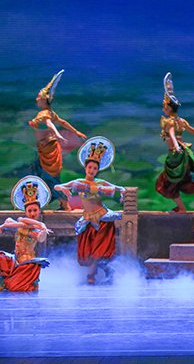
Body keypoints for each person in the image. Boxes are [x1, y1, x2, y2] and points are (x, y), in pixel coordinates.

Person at [55, 137, 125, 284]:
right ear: (85, 168)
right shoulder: (78, 182)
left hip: (102, 218)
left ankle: (92, 275)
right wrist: (64, 189)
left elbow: (119, 188)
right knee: (88, 250)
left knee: (100, 248)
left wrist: (123, 193)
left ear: (97, 170)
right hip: (87, 219)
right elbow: (58, 186)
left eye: (95, 168)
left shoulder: (100, 183)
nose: (92, 170)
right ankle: (105, 270)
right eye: (90, 167)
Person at [155, 73, 194, 212]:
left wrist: (176, 146)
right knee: (182, 182)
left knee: (165, 184)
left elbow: (172, 134)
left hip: (176, 156)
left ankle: (182, 207)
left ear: (169, 108)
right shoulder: (181, 121)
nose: (163, 108)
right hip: (185, 155)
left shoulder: (170, 122)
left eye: (164, 106)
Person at [28, 70, 87, 210]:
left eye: (38, 97)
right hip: (46, 149)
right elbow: (63, 122)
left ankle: (64, 203)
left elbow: (50, 124)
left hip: (49, 150)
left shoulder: (44, 114)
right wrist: (76, 132)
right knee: (36, 172)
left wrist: (58, 134)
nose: (36, 99)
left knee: (47, 177)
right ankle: (40, 202)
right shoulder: (50, 112)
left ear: (44, 100)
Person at [0, 176, 53, 292]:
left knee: (16, 288)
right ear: (25, 212)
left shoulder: (35, 231)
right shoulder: (21, 222)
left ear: (39, 211)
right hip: (15, 260)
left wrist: (42, 230)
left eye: (35, 210)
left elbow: (40, 238)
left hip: (26, 263)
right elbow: (14, 221)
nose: (32, 213)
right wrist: (40, 224)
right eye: (29, 211)